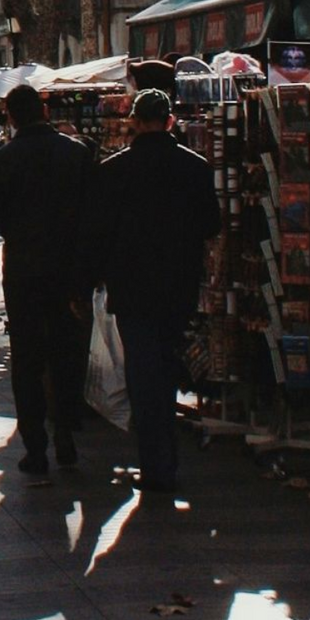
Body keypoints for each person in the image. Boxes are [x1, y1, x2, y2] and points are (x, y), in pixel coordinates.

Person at [93, 87, 221, 493]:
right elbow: (211, 224)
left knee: (141, 369)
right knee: (165, 364)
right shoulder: (195, 167)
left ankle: (155, 462)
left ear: (133, 120)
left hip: (130, 285)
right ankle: (165, 457)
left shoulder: (113, 170)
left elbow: (99, 232)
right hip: (176, 283)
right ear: (170, 121)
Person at [0, 83, 98, 479]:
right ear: (43, 111)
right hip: (68, 269)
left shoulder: (4, 160)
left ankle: (35, 446)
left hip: (24, 268)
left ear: (10, 116)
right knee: (66, 352)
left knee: (27, 357)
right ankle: (66, 433)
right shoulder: (76, 154)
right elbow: (94, 217)